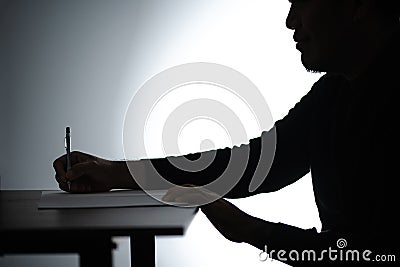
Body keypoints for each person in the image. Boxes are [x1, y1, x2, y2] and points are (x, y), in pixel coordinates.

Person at [54, 0, 399, 265]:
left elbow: (374, 254)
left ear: (359, 4)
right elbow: (254, 165)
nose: (291, 20)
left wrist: (253, 232)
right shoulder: (335, 94)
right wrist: (115, 172)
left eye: (303, 0)